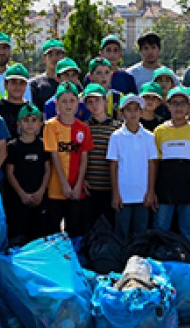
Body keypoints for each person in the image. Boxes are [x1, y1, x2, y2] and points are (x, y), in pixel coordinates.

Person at [154, 87, 190, 243]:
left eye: (182, 104)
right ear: (168, 106)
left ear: (188, 107)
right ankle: (160, 263)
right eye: (174, 103)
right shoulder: (159, 131)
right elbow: (154, 164)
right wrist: (152, 190)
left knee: (188, 231)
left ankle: (189, 263)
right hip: (165, 191)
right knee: (161, 229)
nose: (178, 108)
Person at [107, 95, 159, 243]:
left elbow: (152, 164)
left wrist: (150, 191)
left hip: (142, 195)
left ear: (141, 113)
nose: (133, 113)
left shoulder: (149, 137)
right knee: (121, 232)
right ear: (122, 113)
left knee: (141, 233)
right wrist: (115, 194)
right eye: (128, 110)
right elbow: (113, 165)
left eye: (136, 110)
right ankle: (122, 262)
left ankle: (138, 262)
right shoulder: (116, 137)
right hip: (124, 195)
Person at [45, 82, 93, 238]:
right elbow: (54, 156)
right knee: (54, 231)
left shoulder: (83, 128)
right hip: (56, 188)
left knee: (74, 229)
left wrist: (78, 183)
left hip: (76, 188)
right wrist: (64, 184)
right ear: (56, 104)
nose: (68, 105)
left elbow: (84, 158)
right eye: (64, 101)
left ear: (78, 103)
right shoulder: (51, 126)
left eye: (72, 100)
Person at [4, 104, 50, 243]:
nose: (30, 124)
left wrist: (41, 192)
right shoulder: (12, 146)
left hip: (39, 197)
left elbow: (48, 169)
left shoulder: (43, 145)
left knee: (39, 236)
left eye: (34, 120)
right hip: (18, 199)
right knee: (19, 237)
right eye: (26, 120)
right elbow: (10, 173)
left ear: (40, 124)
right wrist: (22, 194)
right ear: (19, 123)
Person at [83, 83, 119, 231]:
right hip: (90, 187)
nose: (94, 105)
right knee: (89, 228)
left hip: (110, 187)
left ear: (105, 101)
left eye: (97, 100)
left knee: (109, 228)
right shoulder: (84, 127)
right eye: (90, 102)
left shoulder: (117, 127)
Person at [29, 39, 67, 109]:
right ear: (44, 58)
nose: (54, 58)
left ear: (64, 57)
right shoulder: (34, 84)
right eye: (50, 55)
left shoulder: (71, 83)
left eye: (58, 54)